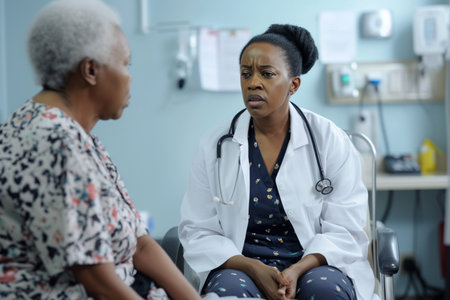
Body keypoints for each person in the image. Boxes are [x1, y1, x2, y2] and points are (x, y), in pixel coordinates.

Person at [0, 1, 200, 299]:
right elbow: (98, 282)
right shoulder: (52, 141)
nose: (130, 77)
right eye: (125, 64)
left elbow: (140, 242)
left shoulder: (75, 134)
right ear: (90, 70)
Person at [179, 24, 376, 300]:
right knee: (228, 292)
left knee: (324, 290)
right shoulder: (214, 145)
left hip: (315, 263)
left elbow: (347, 229)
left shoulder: (329, 140)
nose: (253, 82)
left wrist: (297, 269)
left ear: (293, 84)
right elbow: (198, 230)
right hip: (241, 266)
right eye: (246, 73)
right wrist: (252, 267)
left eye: (267, 74)